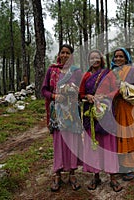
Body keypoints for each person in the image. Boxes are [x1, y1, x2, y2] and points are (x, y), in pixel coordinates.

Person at [79, 49, 122, 192]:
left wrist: (104, 97)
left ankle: (113, 177)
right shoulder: (85, 76)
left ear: (101, 59)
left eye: (97, 57)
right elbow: (81, 94)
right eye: (92, 58)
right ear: (88, 60)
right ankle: (96, 176)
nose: (95, 60)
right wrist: (88, 97)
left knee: (108, 144)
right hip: (90, 114)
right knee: (93, 144)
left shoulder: (108, 74)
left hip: (106, 112)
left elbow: (116, 90)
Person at [41, 44, 83, 192]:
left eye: (68, 53)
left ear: (71, 56)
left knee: (72, 142)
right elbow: (44, 90)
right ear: (59, 54)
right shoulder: (52, 70)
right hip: (57, 112)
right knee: (58, 142)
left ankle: (72, 173)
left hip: (72, 113)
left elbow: (81, 89)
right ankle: (57, 174)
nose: (65, 55)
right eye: (62, 52)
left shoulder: (76, 71)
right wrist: (54, 96)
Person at [110, 47, 134, 181]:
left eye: (121, 56)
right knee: (119, 137)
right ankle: (122, 167)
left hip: (130, 108)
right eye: (116, 56)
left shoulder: (132, 70)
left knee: (130, 136)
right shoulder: (112, 72)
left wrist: (123, 87)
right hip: (117, 108)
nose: (118, 59)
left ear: (126, 58)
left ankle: (132, 168)